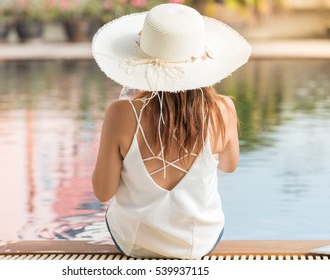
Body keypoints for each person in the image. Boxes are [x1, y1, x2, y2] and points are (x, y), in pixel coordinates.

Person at [91, 3, 251, 259]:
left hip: (134, 242)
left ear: (141, 62)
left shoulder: (120, 113)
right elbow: (229, 165)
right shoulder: (224, 110)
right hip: (198, 242)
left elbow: (103, 192)